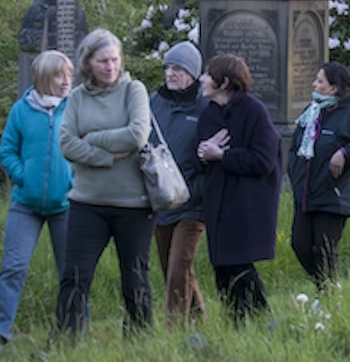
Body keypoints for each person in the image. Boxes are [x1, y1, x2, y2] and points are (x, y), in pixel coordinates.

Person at [55, 29, 154, 337]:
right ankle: (64, 342)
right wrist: (108, 157)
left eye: (114, 60)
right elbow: (67, 144)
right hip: (87, 202)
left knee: (134, 277)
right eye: (102, 61)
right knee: (74, 276)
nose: (110, 67)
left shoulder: (133, 90)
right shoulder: (77, 98)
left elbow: (137, 135)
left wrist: (93, 140)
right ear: (88, 63)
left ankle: (140, 342)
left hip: (133, 204)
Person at [195, 54, 281, 321]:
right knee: (221, 268)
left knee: (240, 266)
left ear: (225, 82)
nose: (202, 79)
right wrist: (202, 153)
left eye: (209, 75)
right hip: (217, 204)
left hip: (247, 205)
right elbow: (200, 156)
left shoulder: (254, 112)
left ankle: (260, 321)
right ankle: (236, 322)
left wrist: (222, 156)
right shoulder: (209, 114)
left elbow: (264, 160)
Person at [0, 51, 73, 351]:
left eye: (69, 74)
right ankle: (2, 332)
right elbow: (7, 150)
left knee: (71, 272)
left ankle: (71, 334)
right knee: (13, 267)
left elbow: (88, 147)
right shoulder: (21, 110)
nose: (66, 81)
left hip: (67, 204)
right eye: (59, 75)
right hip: (25, 204)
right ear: (44, 78)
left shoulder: (75, 108)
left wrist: (74, 182)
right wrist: (23, 176)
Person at [288, 61, 350, 294]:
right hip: (305, 194)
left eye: (320, 81)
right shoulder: (311, 112)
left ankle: (328, 296)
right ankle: (325, 289)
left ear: (334, 88)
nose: (313, 84)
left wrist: (346, 153)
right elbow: (295, 148)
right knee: (300, 245)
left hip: (333, 195)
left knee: (324, 249)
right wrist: (295, 176)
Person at [150, 41, 209, 323]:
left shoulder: (206, 106)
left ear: (193, 74)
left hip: (193, 202)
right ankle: (199, 322)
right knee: (171, 269)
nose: (171, 74)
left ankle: (174, 333)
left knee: (178, 270)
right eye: (168, 67)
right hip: (161, 198)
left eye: (179, 68)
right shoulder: (153, 103)